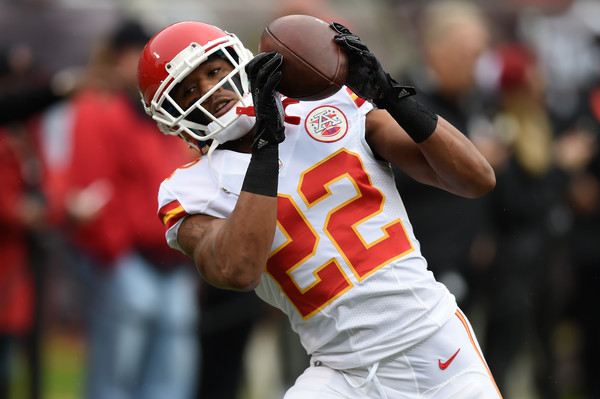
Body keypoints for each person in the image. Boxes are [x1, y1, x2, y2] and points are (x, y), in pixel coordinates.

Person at [137, 20, 501, 398]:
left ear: (238, 60)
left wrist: (393, 95)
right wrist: (265, 145)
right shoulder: (189, 188)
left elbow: (476, 179)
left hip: (433, 340)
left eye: (214, 71)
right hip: (341, 370)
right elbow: (239, 269)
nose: (210, 91)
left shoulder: (329, 105)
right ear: (170, 115)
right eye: (188, 91)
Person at [50, 20, 199, 399]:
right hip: (127, 261)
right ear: (115, 59)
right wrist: (115, 253)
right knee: (116, 377)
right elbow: (92, 192)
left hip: (172, 260)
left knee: (172, 376)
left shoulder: (163, 112)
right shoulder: (99, 109)